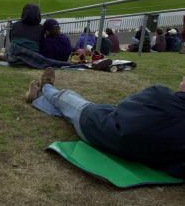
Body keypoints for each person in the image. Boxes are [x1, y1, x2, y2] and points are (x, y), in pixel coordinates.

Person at [25, 68, 185, 178]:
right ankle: (37, 98)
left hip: (99, 129)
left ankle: (46, 88)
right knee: (70, 112)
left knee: (69, 99)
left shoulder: (160, 95)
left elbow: (123, 106)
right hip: (134, 152)